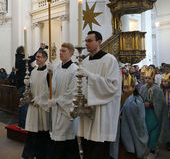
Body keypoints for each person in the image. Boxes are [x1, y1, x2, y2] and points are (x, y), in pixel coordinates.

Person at [78, 31, 122, 159]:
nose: (86, 44)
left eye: (90, 41)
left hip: (102, 112)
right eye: (85, 41)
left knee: (99, 151)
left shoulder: (109, 60)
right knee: (87, 148)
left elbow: (113, 86)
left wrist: (89, 76)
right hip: (87, 111)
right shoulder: (85, 61)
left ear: (99, 42)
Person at [46, 43, 80, 159]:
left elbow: (72, 92)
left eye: (64, 51)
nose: (60, 53)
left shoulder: (75, 70)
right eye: (60, 50)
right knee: (58, 137)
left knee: (65, 139)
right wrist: (50, 75)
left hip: (67, 109)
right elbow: (53, 88)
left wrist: (57, 101)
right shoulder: (57, 68)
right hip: (57, 108)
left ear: (71, 53)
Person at [110, 72, 148, 159]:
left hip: (131, 130)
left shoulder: (137, 100)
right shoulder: (121, 97)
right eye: (124, 88)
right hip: (121, 129)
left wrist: (125, 117)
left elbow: (139, 117)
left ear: (134, 87)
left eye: (128, 88)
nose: (126, 90)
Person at [22, 50, 51, 159]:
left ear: (45, 58)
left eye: (39, 57)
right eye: (37, 57)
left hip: (43, 106)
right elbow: (32, 88)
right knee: (33, 131)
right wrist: (28, 89)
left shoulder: (49, 72)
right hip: (33, 105)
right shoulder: (33, 72)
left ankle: (42, 154)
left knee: (43, 132)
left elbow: (50, 90)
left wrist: (38, 99)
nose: (37, 58)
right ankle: (29, 154)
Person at [141, 67, 170, 159]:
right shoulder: (143, 88)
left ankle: (153, 151)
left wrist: (152, 104)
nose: (147, 80)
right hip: (145, 114)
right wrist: (143, 103)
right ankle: (150, 149)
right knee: (147, 133)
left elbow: (161, 103)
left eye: (149, 78)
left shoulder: (157, 89)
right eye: (146, 78)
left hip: (154, 115)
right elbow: (140, 99)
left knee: (154, 134)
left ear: (153, 79)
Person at [15, 43, 46, 129]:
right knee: (25, 104)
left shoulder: (18, 59)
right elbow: (32, 58)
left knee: (22, 104)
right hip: (23, 84)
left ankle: (20, 123)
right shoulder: (20, 59)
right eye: (26, 52)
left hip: (21, 84)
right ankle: (24, 124)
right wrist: (40, 49)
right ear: (22, 52)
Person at [161, 73, 170, 151]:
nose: (164, 83)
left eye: (166, 81)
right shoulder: (163, 90)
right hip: (165, 112)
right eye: (163, 81)